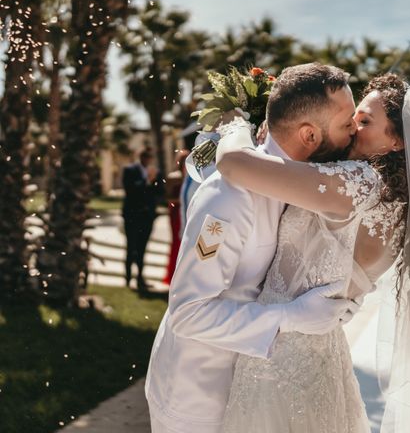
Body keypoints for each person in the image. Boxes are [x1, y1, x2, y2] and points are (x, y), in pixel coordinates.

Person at [216, 75, 410, 432]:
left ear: (399, 140)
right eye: (355, 116)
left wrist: (235, 124)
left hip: (278, 360)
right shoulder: (397, 201)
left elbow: (233, 164)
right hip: (319, 355)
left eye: (366, 121)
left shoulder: (359, 184)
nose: (353, 125)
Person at [145, 63, 361, 433]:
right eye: (347, 124)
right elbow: (189, 312)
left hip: (249, 389)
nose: (354, 132)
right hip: (197, 397)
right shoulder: (226, 200)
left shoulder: (300, 185)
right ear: (309, 135)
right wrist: (293, 317)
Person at [122, 147, 164, 292]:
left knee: (142, 248)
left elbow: (160, 192)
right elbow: (130, 190)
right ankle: (127, 279)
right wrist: (147, 180)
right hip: (132, 216)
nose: (147, 159)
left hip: (147, 216)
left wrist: (154, 181)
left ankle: (140, 278)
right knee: (130, 247)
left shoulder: (155, 172)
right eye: (145, 156)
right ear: (139, 156)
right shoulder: (129, 170)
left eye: (149, 156)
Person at [163, 150, 190, 285]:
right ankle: (172, 275)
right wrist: (182, 200)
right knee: (176, 243)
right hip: (176, 212)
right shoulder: (173, 176)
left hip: (186, 211)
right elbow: (168, 198)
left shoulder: (192, 176)